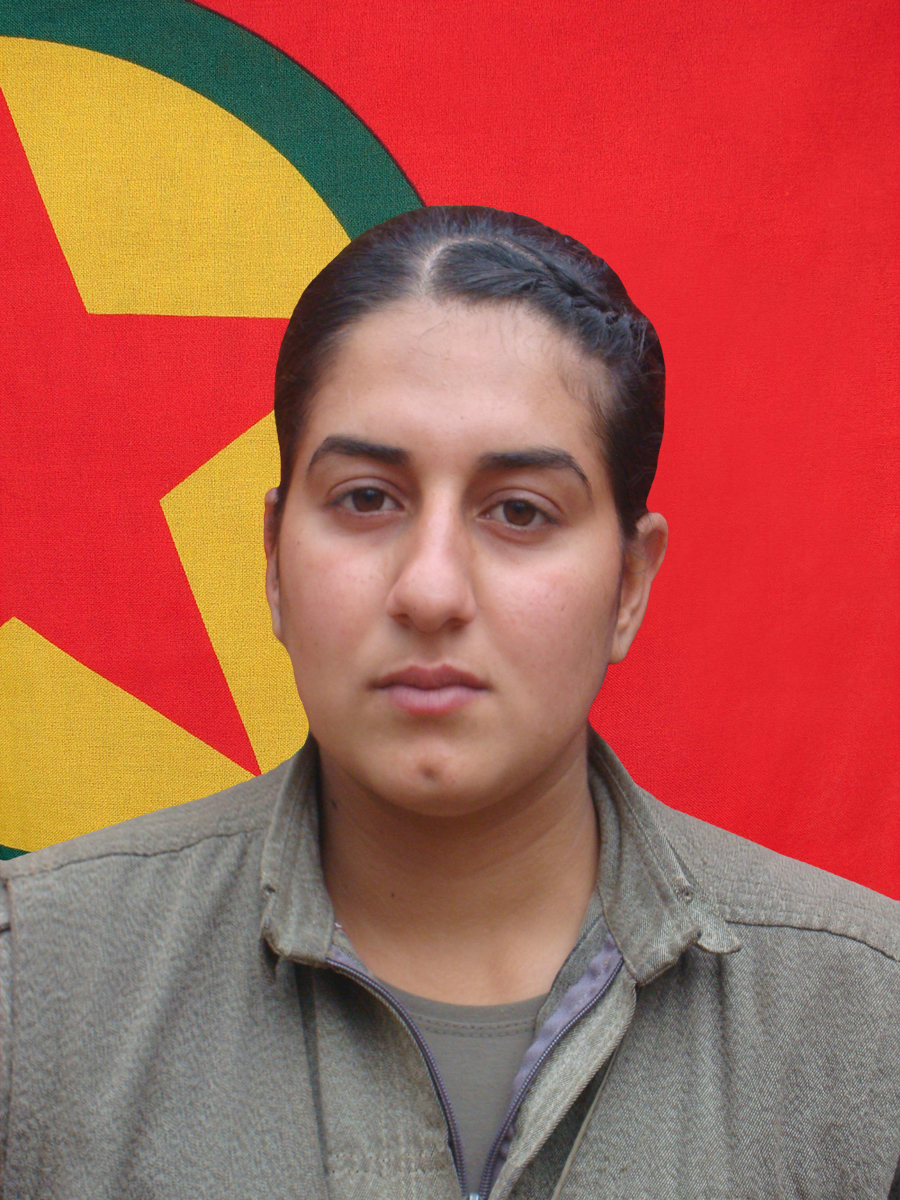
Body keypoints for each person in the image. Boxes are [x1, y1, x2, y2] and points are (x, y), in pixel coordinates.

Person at [0, 206, 896, 1200]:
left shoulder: (866, 1021)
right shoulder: (35, 993)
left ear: (629, 585)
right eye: (366, 498)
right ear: (273, 561)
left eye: (519, 512)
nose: (429, 590)